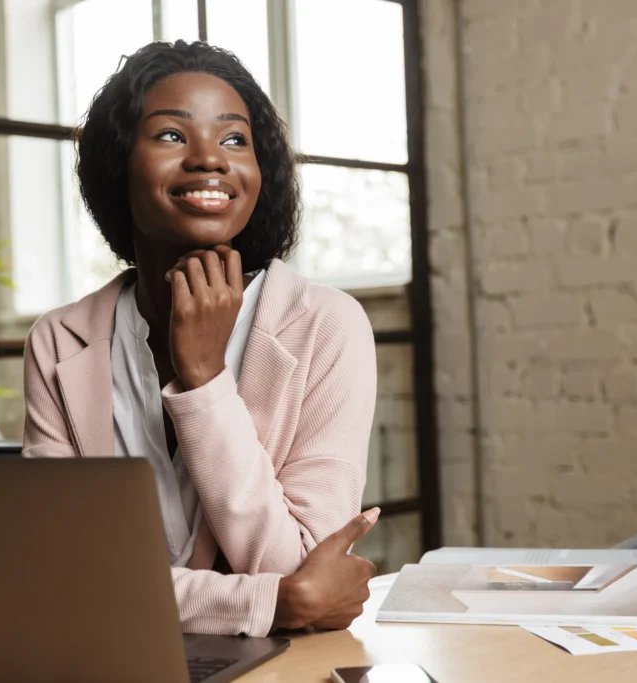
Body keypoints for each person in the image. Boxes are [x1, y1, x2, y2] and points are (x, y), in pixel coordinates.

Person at [23, 40, 379, 636]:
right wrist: (264, 603)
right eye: (170, 135)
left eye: (235, 139)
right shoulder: (61, 340)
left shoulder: (326, 324)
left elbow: (301, 569)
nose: (209, 159)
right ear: (118, 162)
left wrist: (205, 381)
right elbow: (60, 574)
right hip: (107, 662)